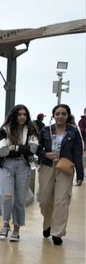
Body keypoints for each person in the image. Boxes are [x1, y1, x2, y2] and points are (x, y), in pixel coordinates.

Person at [36, 104, 84, 245]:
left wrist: (80, 174)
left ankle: (57, 233)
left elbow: (77, 153)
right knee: (45, 200)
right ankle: (48, 225)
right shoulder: (45, 130)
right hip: (47, 167)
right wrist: (45, 154)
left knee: (61, 201)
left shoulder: (74, 132)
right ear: (53, 116)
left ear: (68, 116)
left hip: (65, 168)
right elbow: (36, 149)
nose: (60, 116)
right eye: (57, 114)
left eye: (63, 114)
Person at [0, 105, 39, 242]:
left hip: (23, 166)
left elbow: (32, 149)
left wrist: (14, 147)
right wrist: (22, 148)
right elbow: (2, 151)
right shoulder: (4, 130)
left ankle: (16, 229)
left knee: (20, 200)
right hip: (7, 166)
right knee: (7, 196)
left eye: (25, 114)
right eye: (19, 114)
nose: (22, 117)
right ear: (14, 115)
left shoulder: (31, 130)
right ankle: (5, 224)